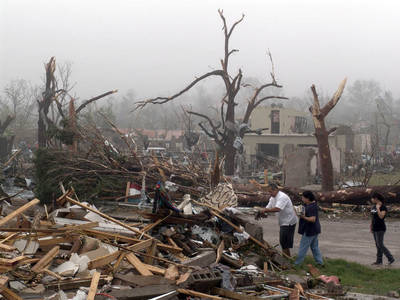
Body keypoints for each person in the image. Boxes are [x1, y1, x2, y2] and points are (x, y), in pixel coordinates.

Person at [256, 183, 297, 257]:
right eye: (269, 192)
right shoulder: (272, 198)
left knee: (284, 241)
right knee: (284, 242)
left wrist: (264, 211)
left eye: (271, 191)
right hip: (283, 221)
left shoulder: (282, 197)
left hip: (289, 221)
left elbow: (278, 209)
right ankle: (287, 258)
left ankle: (286, 258)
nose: (270, 193)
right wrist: (262, 213)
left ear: (276, 190)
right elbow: (268, 208)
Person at [294, 191, 323, 266]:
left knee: (303, 247)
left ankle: (297, 264)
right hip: (314, 230)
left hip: (310, 230)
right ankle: (320, 262)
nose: (302, 199)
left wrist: (303, 217)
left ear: (308, 198)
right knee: (314, 247)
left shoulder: (312, 207)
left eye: (303, 197)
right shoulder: (308, 204)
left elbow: (313, 219)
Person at [370, 192, 395, 265]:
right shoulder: (373, 206)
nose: (371, 200)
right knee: (377, 245)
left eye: (372, 198)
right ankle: (379, 261)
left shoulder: (383, 207)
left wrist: (378, 208)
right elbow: (373, 217)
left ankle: (390, 258)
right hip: (374, 228)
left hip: (380, 228)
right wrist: (371, 226)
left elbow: (381, 217)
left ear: (376, 198)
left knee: (380, 244)